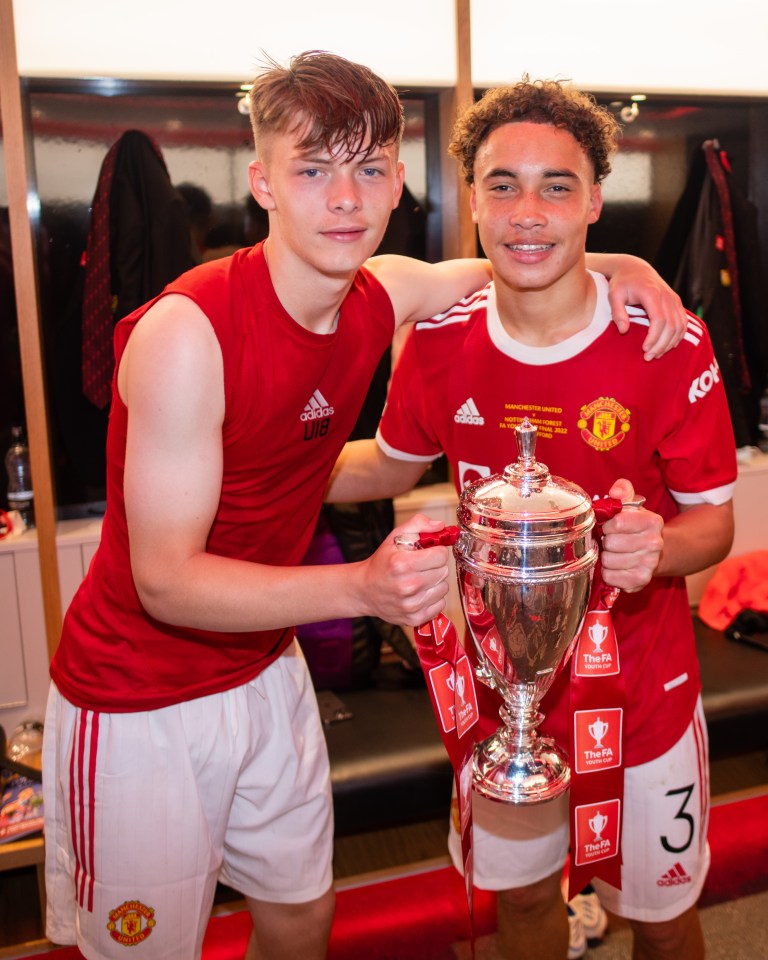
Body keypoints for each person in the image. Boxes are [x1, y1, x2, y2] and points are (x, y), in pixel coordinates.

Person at [42, 51, 689, 960]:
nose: (344, 198)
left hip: (264, 670)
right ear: (263, 183)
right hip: (139, 697)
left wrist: (629, 264)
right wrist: (362, 590)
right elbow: (166, 582)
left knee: (303, 918)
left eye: (370, 170)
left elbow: (515, 258)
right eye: (313, 170)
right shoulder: (187, 334)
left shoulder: (375, 293)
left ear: (395, 190)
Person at [327, 78, 737, 960]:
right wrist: (247, 467)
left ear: (594, 199)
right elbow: (388, 466)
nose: (527, 211)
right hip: (498, 696)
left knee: (660, 925)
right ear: (472, 197)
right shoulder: (437, 343)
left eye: (557, 185)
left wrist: (660, 548)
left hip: (643, 693)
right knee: (519, 913)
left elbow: (716, 527)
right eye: (502, 184)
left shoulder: (667, 341)